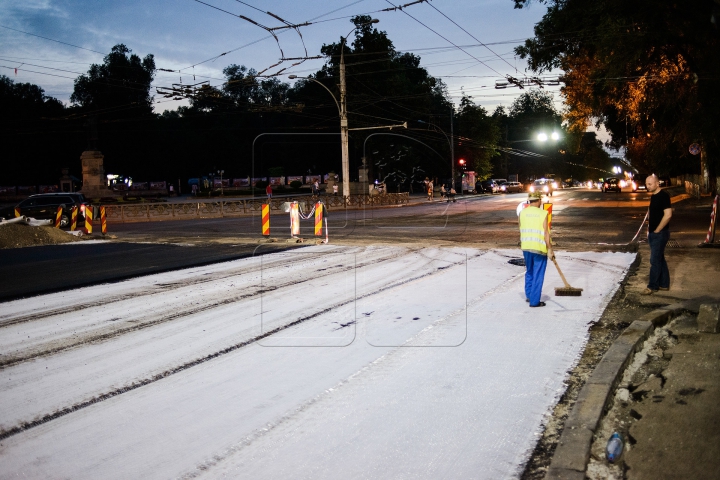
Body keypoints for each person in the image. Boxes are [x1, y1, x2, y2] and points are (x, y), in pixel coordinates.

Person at [519, 190, 554, 307]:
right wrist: (550, 249)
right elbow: (545, 233)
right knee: (538, 274)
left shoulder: (522, 213)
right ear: (539, 200)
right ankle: (534, 301)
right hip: (539, 248)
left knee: (529, 272)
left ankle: (529, 295)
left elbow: (521, 228)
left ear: (529, 201)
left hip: (526, 247)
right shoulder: (543, 213)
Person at [642, 174, 672, 294]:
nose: (647, 186)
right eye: (646, 184)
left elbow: (668, 215)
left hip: (660, 233)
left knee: (654, 260)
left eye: (650, 184)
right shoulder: (654, 196)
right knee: (660, 259)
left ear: (657, 183)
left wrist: (658, 229)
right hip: (653, 233)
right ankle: (664, 284)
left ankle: (652, 286)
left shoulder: (663, 196)